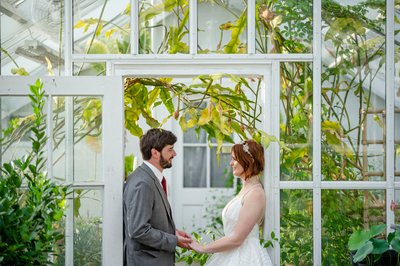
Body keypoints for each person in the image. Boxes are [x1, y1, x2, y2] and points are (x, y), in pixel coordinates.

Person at [189, 139, 273, 266]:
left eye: (234, 159)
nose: (231, 163)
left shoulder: (255, 194)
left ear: (248, 161)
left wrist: (203, 248)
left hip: (245, 257)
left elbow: (237, 239)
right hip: (231, 254)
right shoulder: (247, 189)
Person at [123, 128, 192, 266]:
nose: (174, 153)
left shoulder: (149, 178)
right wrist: (173, 240)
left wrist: (173, 233)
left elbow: (150, 220)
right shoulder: (143, 183)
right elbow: (139, 230)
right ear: (155, 152)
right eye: (170, 149)